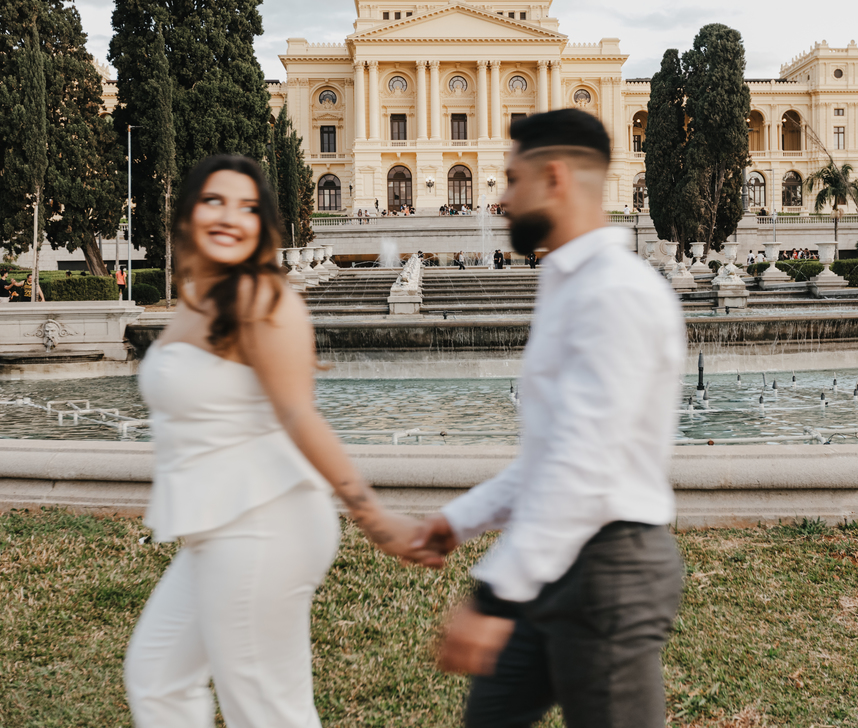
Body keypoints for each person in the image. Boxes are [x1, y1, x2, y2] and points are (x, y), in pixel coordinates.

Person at [124, 154, 435, 728]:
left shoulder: (267, 300)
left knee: (267, 712)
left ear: (263, 227)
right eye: (215, 200)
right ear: (189, 212)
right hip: (215, 522)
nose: (229, 217)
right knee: (158, 678)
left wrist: (374, 517)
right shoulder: (196, 298)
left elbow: (299, 415)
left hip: (263, 522)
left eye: (247, 207)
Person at [413, 109, 685, 728]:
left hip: (610, 575)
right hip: (557, 557)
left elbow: (583, 466)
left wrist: (493, 595)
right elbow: (550, 453)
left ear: (555, 177)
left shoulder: (615, 291)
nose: (501, 199)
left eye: (512, 180)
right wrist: (458, 521)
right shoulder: (567, 282)